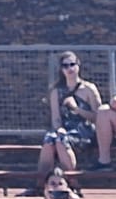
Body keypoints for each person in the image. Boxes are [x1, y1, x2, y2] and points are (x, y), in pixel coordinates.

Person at [38, 51, 102, 186]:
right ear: (61, 69)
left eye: (72, 64)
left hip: (84, 130)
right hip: (65, 129)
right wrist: (59, 128)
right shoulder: (56, 91)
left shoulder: (89, 89)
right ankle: (42, 183)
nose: (70, 68)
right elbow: (56, 117)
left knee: (62, 140)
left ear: (78, 65)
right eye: (65, 65)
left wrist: (77, 109)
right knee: (50, 139)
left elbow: (98, 117)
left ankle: (72, 182)